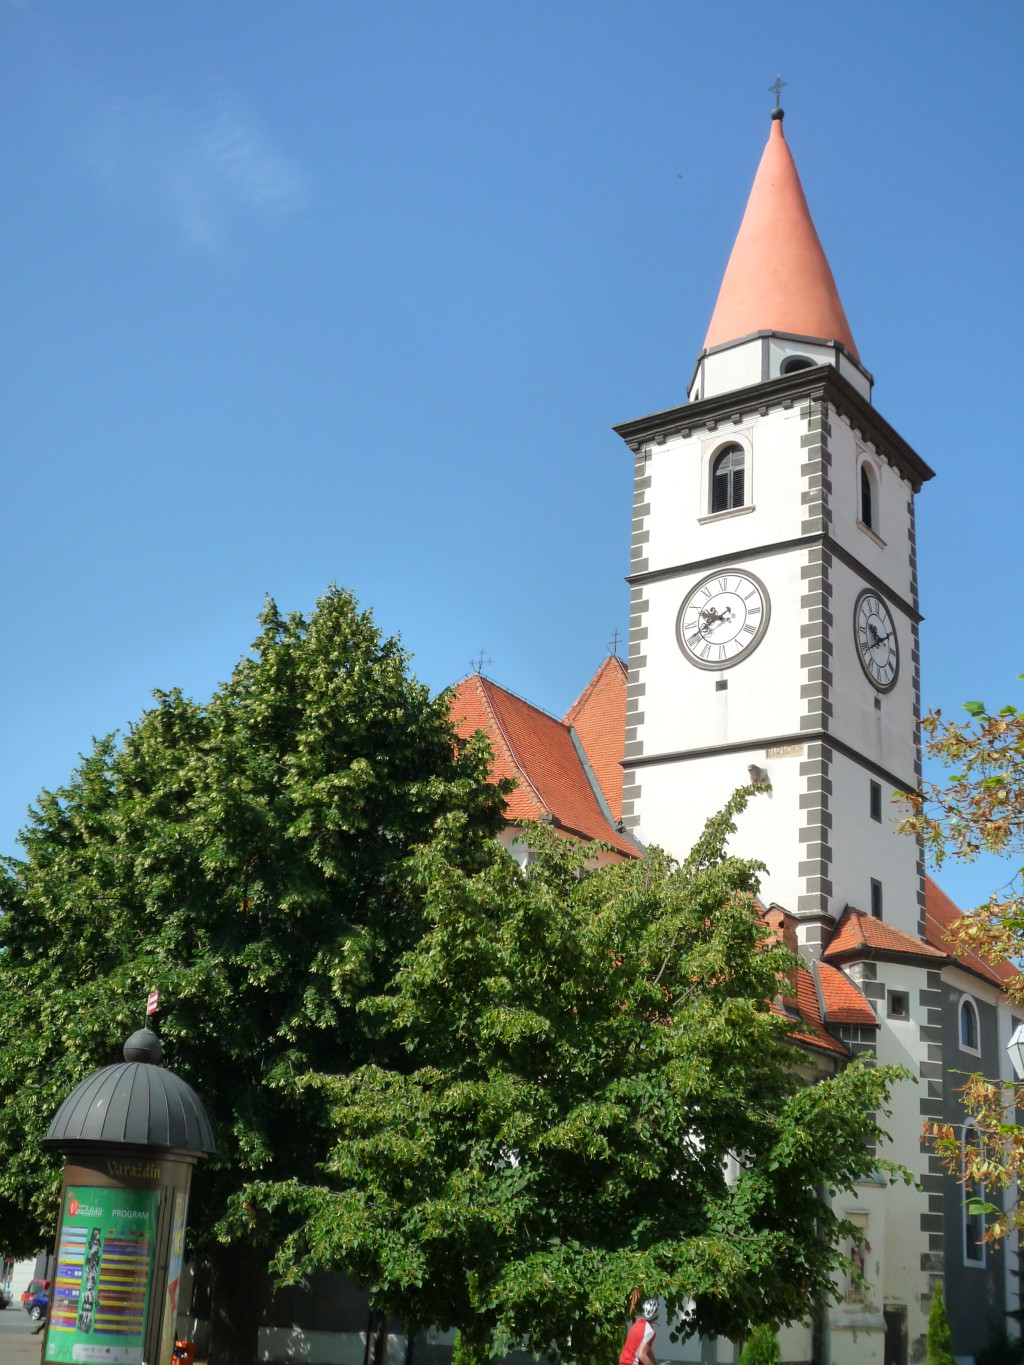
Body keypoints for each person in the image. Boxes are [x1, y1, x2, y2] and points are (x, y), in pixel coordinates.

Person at [619, 1297, 660, 1365]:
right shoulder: (650, 1332)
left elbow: (648, 1349)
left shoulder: (638, 1323)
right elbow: (642, 1355)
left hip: (623, 1362)